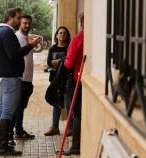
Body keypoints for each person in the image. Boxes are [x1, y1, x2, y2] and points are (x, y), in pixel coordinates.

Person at [0, 8, 41, 156]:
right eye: (18, 18)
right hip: (10, 78)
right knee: (7, 111)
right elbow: (14, 55)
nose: (20, 21)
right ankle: (2, 147)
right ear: (10, 17)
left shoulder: (0, 31)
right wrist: (30, 46)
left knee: (2, 110)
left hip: (4, 77)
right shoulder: (7, 33)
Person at [62, 13, 84, 156]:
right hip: (87, 80)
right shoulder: (96, 37)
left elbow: (68, 63)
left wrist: (63, 62)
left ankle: (76, 146)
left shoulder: (77, 39)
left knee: (77, 114)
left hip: (78, 81)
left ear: (81, 22)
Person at [10, 15, 35, 141]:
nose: (27, 25)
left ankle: (18, 130)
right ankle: (14, 132)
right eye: (24, 23)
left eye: (29, 23)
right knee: (17, 107)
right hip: (20, 78)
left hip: (28, 78)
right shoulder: (16, 37)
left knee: (21, 107)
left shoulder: (28, 38)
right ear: (20, 23)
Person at [44, 26, 71, 136]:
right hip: (54, 79)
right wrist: (61, 61)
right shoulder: (52, 48)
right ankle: (55, 127)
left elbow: (68, 62)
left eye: (64, 33)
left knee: (67, 102)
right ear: (56, 35)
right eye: (60, 33)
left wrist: (57, 62)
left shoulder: (69, 48)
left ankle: (70, 128)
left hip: (66, 79)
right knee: (56, 103)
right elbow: (49, 63)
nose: (62, 35)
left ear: (67, 36)